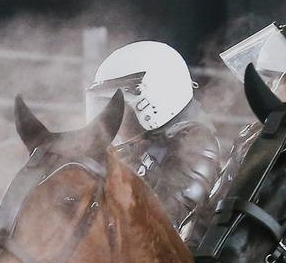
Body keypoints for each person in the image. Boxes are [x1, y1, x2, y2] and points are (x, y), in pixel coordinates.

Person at [86, 40, 247, 241]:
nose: (108, 118)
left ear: (150, 104)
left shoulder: (193, 144)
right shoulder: (134, 151)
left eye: (118, 107)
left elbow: (162, 230)